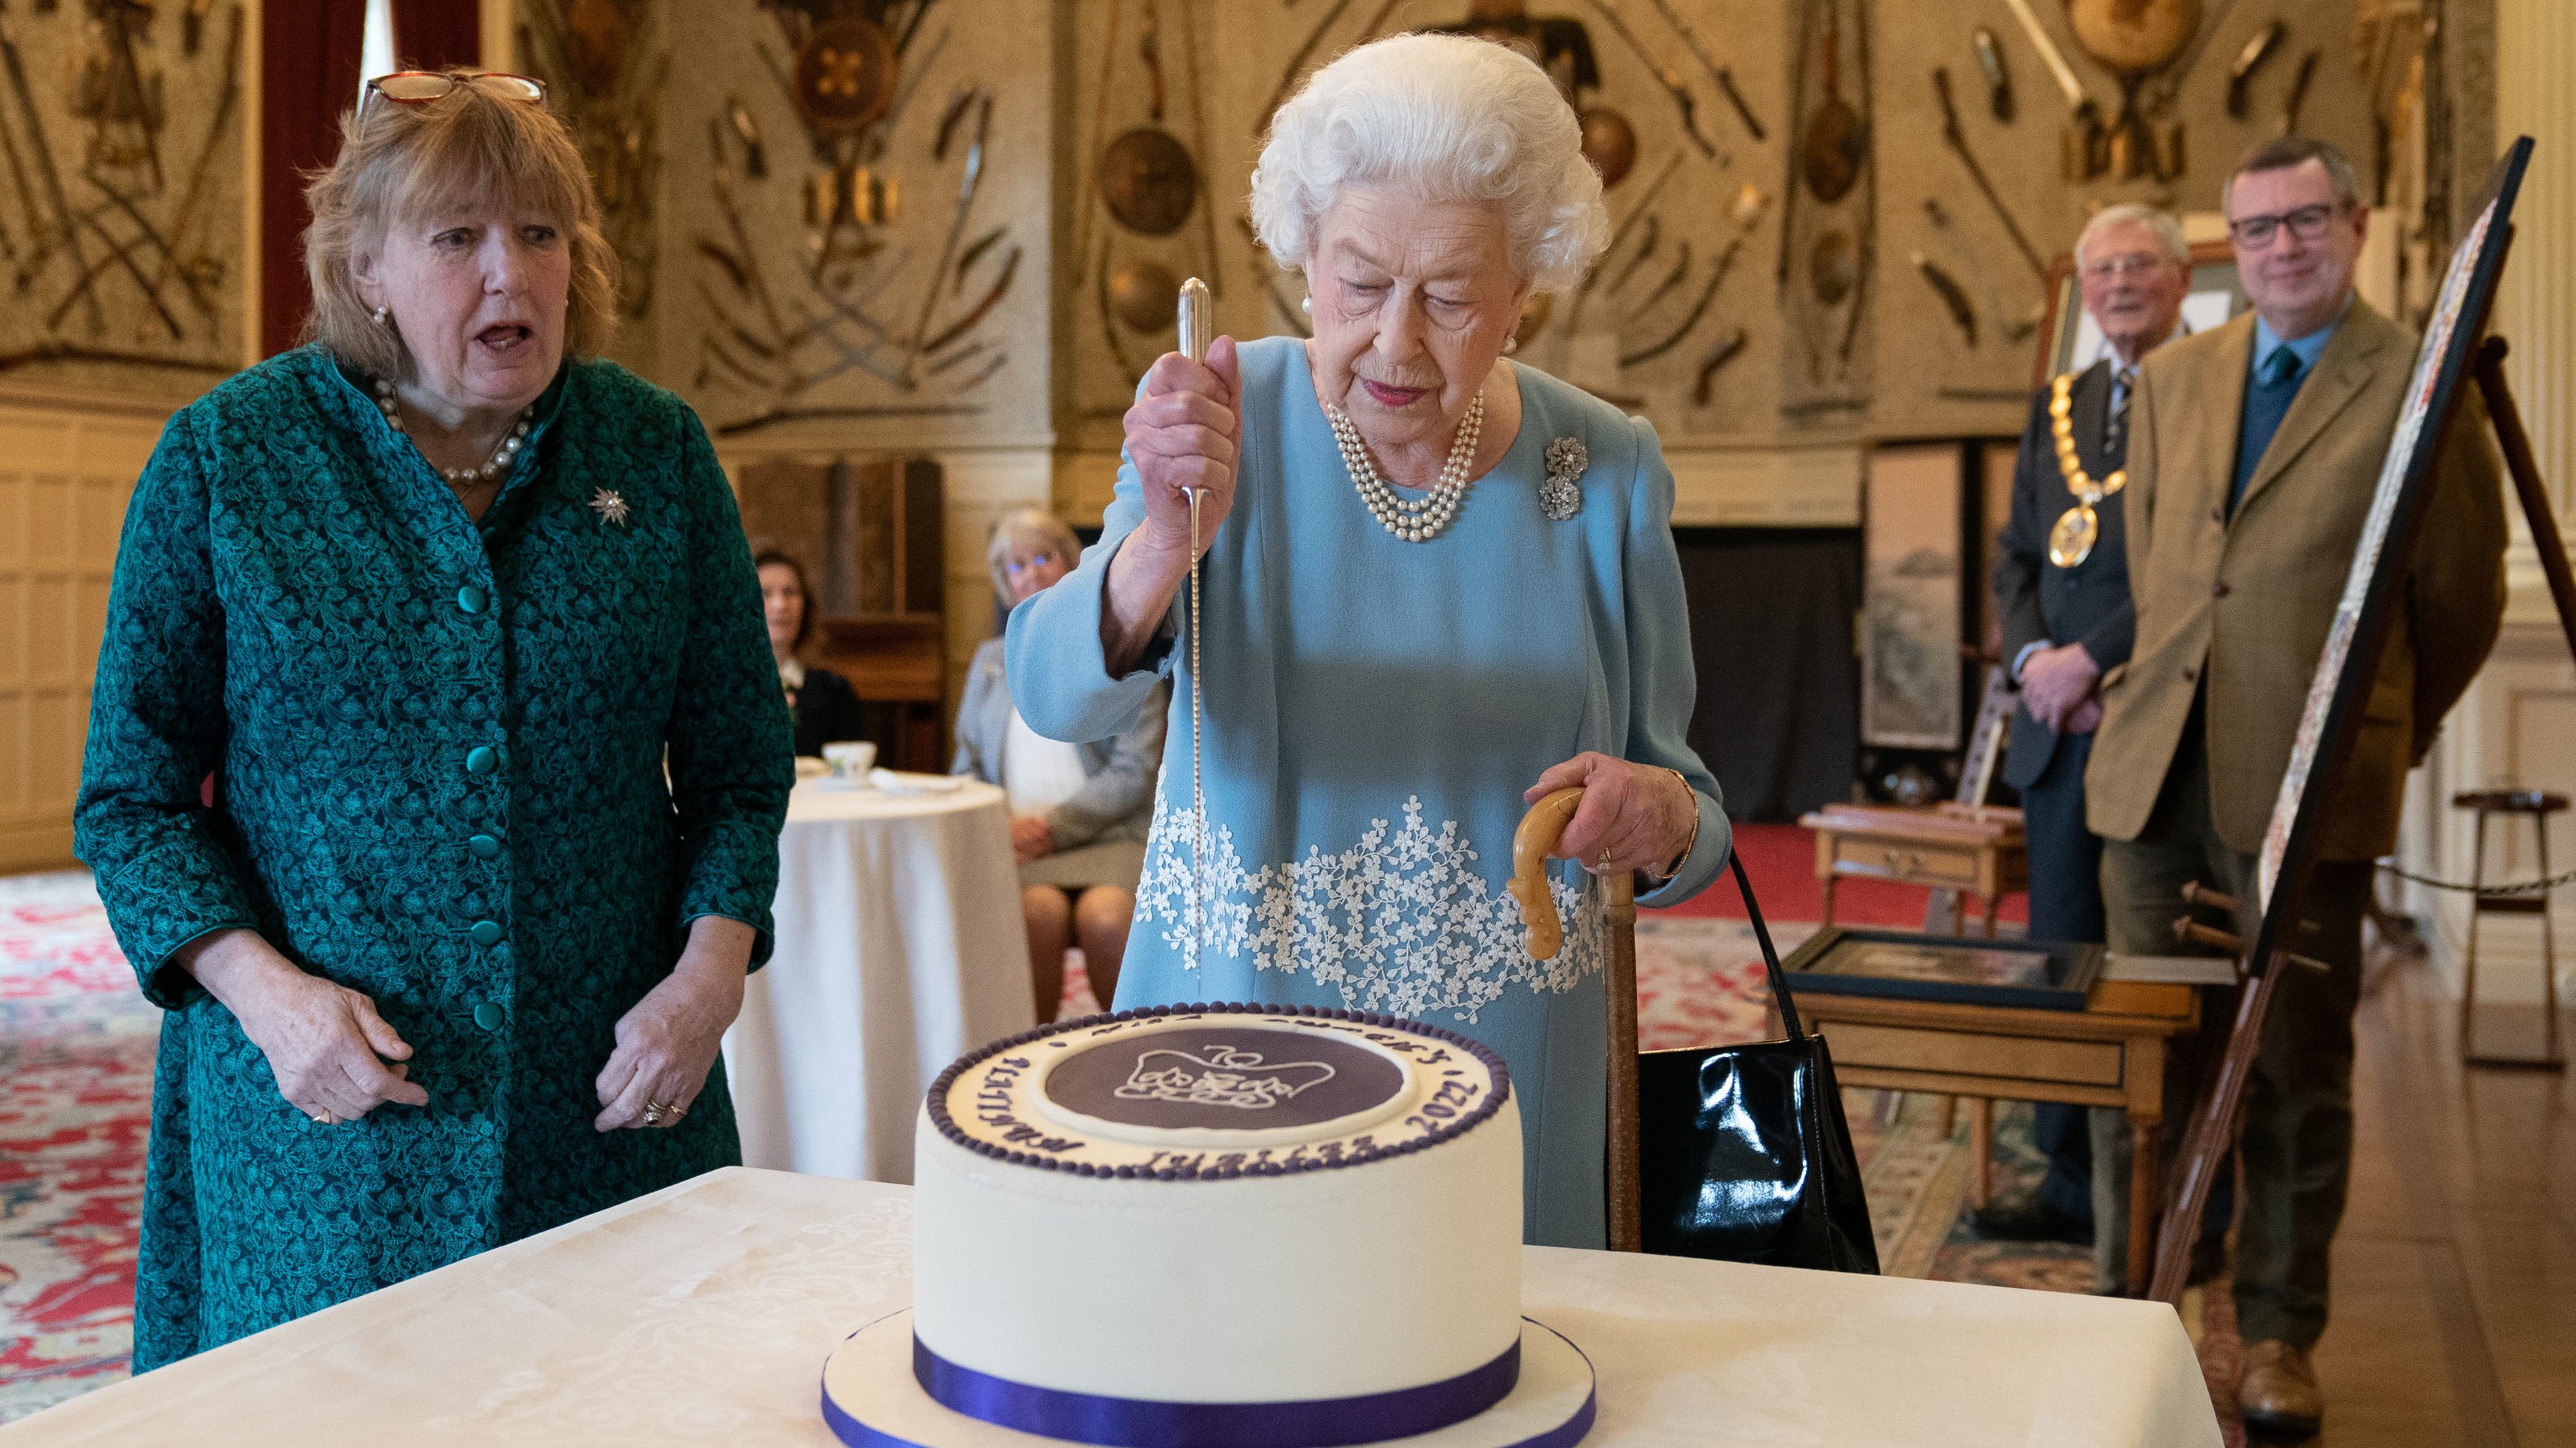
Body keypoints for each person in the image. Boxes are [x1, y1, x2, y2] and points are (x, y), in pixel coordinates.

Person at [71, 71, 792, 1369]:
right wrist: (271, 998)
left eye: (540, 233)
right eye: (458, 238)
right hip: (324, 1135)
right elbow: (130, 797)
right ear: (366, 272)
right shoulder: (227, 459)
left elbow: (741, 767)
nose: (507, 272)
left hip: (611, 1108)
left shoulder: (658, 451)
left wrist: (708, 979)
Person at [1006, 33, 1729, 1249]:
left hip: (1511, 1077)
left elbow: (1690, 811)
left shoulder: (1600, 468)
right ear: (1301, 261)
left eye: (1448, 297)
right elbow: (1048, 693)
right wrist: (1156, 549)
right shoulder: (1216, 413)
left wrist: (1655, 816)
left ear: (1522, 293)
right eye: (1358, 281)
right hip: (1236, 1057)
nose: (1396, 340)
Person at [2084, 136, 2506, 1436]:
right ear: (2229, 241)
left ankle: (2276, 1329)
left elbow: (2459, 603)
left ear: (2356, 224)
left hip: (2302, 795)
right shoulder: (2180, 375)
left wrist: (2378, 733)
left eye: (2303, 220)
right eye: (2255, 227)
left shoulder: (2416, 385)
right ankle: (2132, 1305)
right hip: (2152, 777)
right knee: (2141, 1059)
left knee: (2291, 1074)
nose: (2279, 246)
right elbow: (2167, 576)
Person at [1974, 203, 2189, 1248]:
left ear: (2181, 277)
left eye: (2138, 264)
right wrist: (2032, 664)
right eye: (2100, 268)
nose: (2116, 284)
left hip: (2158, 723)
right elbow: (2015, 554)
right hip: (2056, 729)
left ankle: (2174, 1195)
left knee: (2151, 970)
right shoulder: (2063, 402)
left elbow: (2198, 561)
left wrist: (2091, 660)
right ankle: (2065, 1188)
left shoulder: (2212, 397)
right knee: (2060, 956)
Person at [953, 509, 1164, 1021]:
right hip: (1020, 848)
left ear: (1073, 564)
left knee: (1106, 919)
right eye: (1015, 566)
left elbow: (1135, 771)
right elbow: (967, 768)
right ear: (1004, 583)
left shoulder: (1120, 645)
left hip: (1111, 836)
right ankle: (1031, 1061)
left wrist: (1050, 828)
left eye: (1042, 557)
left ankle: (1142, 1051)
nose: (1030, 573)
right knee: (1036, 916)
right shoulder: (988, 661)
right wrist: (999, 830)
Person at [756, 549, 868, 759]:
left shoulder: (835, 692)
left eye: (790, 592)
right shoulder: (722, 690)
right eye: (765, 593)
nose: (780, 605)